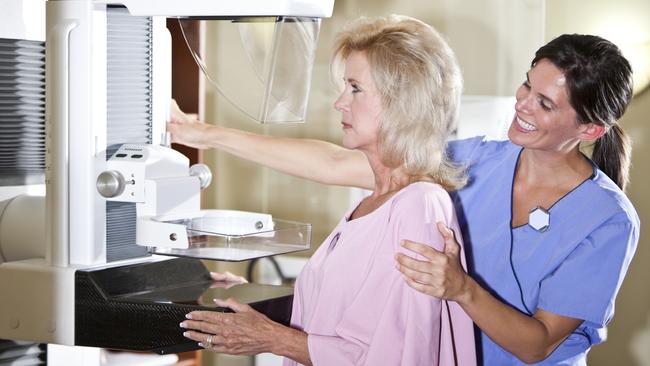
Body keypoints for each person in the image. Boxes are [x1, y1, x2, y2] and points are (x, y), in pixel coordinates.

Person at [171, 30, 640, 365]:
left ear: (589, 129)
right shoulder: (477, 160)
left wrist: (461, 288)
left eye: (545, 103)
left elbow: (536, 345)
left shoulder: (606, 220)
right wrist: (203, 133)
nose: (522, 104)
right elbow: (335, 164)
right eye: (526, 85)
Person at [177, 15, 477, 366]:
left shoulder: (419, 205)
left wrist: (271, 338)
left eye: (355, 88)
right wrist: (253, 299)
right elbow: (347, 322)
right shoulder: (374, 203)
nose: (339, 102)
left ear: (401, 101)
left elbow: (400, 355)